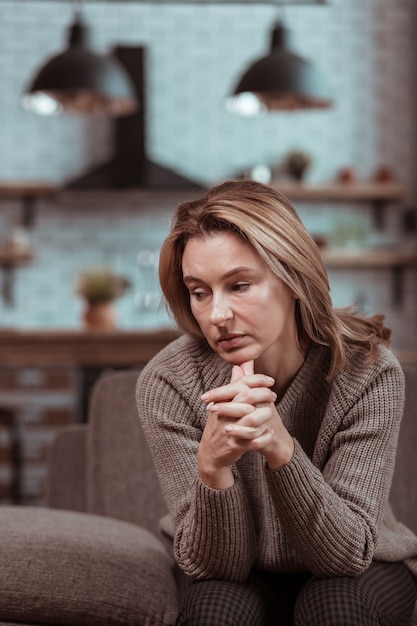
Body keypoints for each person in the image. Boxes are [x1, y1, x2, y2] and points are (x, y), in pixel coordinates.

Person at [136, 180, 417, 625]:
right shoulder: (169, 382)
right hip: (235, 569)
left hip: (361, 564)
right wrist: (212, 470)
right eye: (200, 292)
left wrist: (280, 448)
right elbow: (216, 567)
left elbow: (344, 556)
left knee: (332, 604)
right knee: (216, 610)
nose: (217, 315)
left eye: (240, 285)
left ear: (293, 278)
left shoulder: (368, 371)